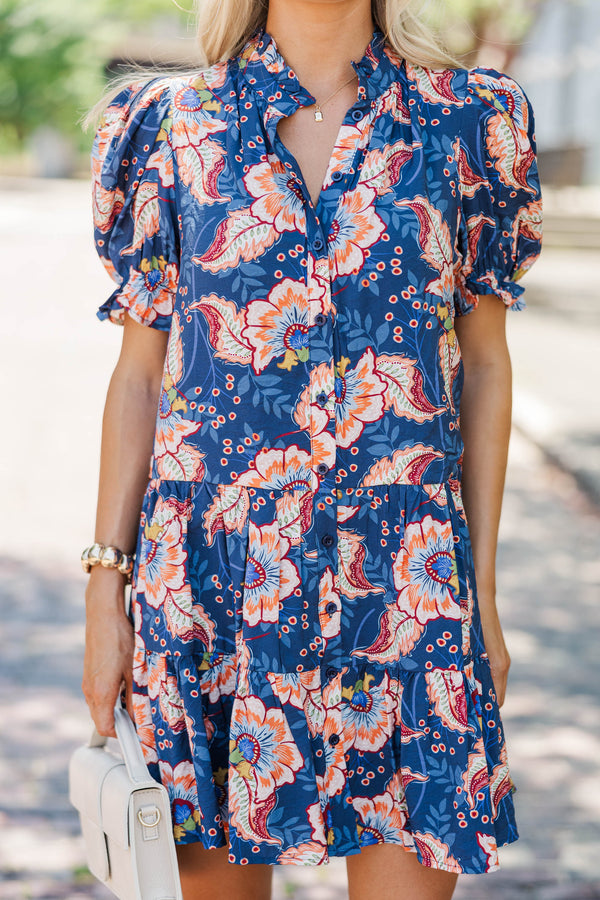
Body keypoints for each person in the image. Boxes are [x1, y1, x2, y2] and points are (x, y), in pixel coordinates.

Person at [81, 1, 543, 898]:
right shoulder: (171, 125)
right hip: (211, 594)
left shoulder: (469, 121)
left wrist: (479, 594)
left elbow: (483, 367)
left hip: (410, 591)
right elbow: (139, 378)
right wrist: (108, 589)